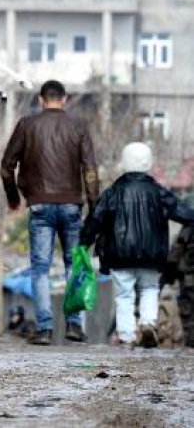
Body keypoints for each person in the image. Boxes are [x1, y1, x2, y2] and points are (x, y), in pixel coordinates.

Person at [0, 80, 99, 345]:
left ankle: (44, 329)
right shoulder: (78, 126)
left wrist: (13, 198)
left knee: (40, 269)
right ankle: (74, 326)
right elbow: (90, 170)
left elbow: (6, 167)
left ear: (41, 100)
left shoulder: (27, 125)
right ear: (64, 99)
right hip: (71, 204)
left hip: (40, 204)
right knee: (72, 265)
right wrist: (94, 206)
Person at [81, 142, 194, 348]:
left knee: (124, 295)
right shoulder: (158, 192)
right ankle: (148, 324)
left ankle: (126, 334)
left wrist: (83, 241)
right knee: (149, 289)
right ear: (149, 163)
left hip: (119, 254)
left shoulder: (113, 192)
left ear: (124, 163)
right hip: (152, 255)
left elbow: (95, 220)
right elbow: (184, 213)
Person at [162, 222, 194, 348]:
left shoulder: (190, 226)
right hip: (189, 279)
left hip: (189, 280)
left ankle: (191, 344)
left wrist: (168, 274)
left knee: (189, 312)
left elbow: (176, 252)